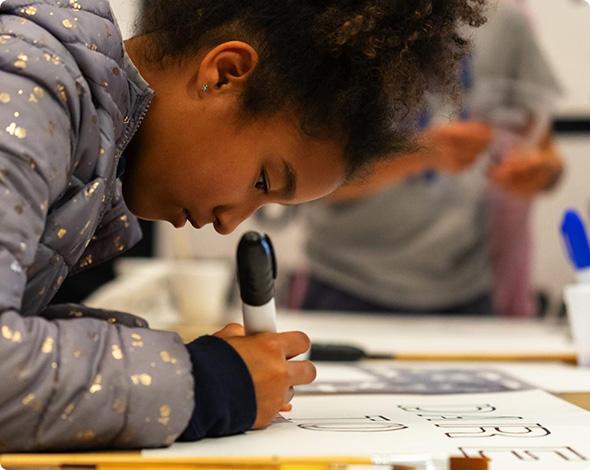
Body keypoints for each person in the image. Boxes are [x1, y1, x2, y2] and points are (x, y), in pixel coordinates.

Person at [0, 0, 486, 451]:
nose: (230, 224)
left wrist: (179, 365)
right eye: (262, 179)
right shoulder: (29, 90)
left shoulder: (82, 137)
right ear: (225, 74)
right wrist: (206, 384)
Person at [300, 0, 562, 316]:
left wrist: (537, 173)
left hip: (467, 289)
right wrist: (419, 153)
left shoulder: (505, 20)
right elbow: (308, 179)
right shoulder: (342, 18)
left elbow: (545, 154)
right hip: (346, 281)